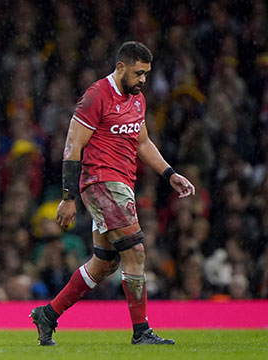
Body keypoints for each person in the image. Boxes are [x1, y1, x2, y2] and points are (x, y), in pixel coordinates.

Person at [30, 41, 195, 346]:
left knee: (105, 262)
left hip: (123, 184)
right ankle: (141, 331)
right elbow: (72, 146)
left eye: (146, 73)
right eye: (138, 72)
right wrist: (68, 198)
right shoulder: (95, 96)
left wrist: (169, 174)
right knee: (136, 251)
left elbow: (142, 143)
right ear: (121, 67)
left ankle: (48, 315)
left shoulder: (137, 99)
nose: (143, 79)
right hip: (101, 182)